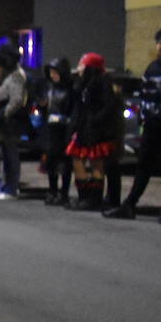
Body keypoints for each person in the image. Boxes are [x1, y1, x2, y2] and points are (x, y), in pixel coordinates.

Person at [103, 30, 161, 220]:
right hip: (152, 125)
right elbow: (145, 96)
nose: (159, 46)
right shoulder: (153, 68)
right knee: (143, 165)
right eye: (158, 43)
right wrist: (144, 120)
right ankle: (129, 205)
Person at [64, 52, 121, 211]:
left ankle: (94, 199)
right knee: (77, 160)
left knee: (97, 163)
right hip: (83, 129)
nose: (79, 68)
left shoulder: (102, 83)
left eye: (83, 65)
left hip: (97, 131)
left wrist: (94, 121)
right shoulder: (82, 84)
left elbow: (107, 107)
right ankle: (84, 196)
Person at [0, 45, 28, 199]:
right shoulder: (2, 77)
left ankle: (11, 187)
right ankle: (4, 184)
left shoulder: (15, 77)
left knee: (11, 155)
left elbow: (16, 100)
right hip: (1, 122)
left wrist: (3, 114)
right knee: (3, 154)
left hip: (10, 122)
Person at [41, 57, 76, 206]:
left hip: (63, 129)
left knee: (65, 163)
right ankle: (52, 190)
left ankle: (64, 193)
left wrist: (71, 130)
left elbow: (72, 111)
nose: (53, 75)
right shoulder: (51, 89)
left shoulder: (70, 90)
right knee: (51, 162)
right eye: (51, 72)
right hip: (51, 129)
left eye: (55, 72)